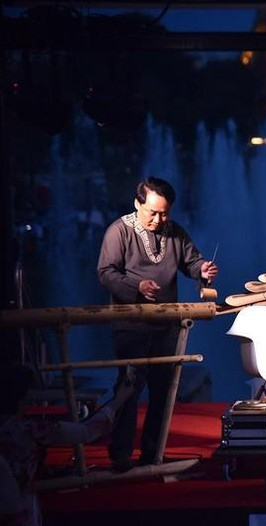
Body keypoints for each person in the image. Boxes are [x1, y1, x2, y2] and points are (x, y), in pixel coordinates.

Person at [97, 177, 218, 471]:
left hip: (167, 325)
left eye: (164, 213)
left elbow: (191, 261)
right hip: (130, 324)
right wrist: (137, 286)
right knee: (129, 387)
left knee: (164, 390)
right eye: (152, 212)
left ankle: (153, 454)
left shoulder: (174, 231)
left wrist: (201, 269)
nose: (158, 220)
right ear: (137, 203)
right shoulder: (119, 231)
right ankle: (121, 455)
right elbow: (106, 272)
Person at [0, 364, 134, 526]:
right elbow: (86, 431)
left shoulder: (26, 429)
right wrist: (118, 400)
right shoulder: (28, 430)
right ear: (22, 399)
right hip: (18, 510)